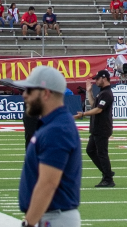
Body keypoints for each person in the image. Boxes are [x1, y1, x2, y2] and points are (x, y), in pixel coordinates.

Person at [14, 65, 83, 227]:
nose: (24, 95)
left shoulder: (56, 129)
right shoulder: (54, 124)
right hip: (51, 216)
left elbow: (48, 183)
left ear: (45, 93)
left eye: (29, 90)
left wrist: (28, 223)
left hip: (54, 218)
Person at [75, 70, 115, 187]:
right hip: (97, 127)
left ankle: (108, 178)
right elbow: (94, 105)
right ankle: (107, 172)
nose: (96, 81)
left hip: (102, 127)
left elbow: (98, 110)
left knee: (102, 153)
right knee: (91, 150)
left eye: (97, 79)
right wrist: (89, 92)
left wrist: (83, 114)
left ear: (104, 78)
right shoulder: (102, 93)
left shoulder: (106, 93)